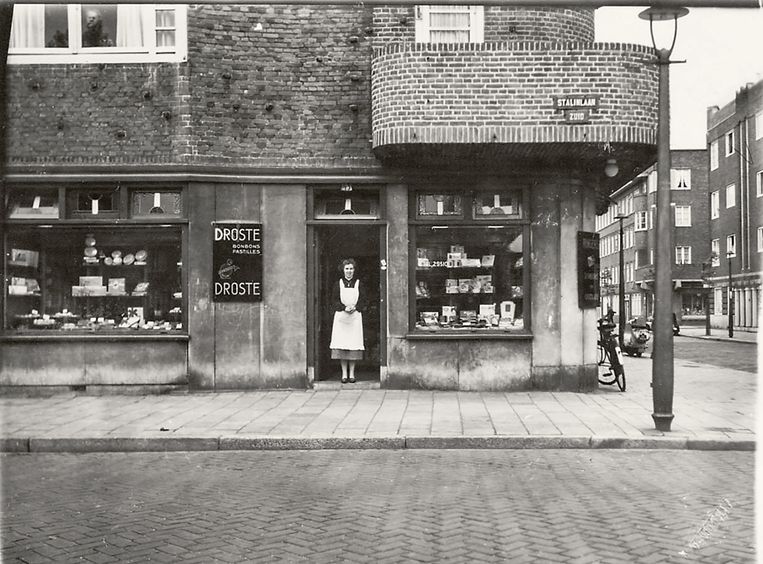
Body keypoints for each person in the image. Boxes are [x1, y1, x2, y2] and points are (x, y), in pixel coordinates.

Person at [329, 258, 365, 383]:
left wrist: (355, 307)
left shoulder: (359, 283)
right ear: (343, 270)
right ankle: (344, 374)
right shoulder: (337, 284)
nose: (349, 271)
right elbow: (334, 301)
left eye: (351, 269)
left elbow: (364, 300)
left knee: (353, 345)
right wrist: (344, 307)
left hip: (354, 317)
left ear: (354, 270)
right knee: (342, 346)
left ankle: (352, 374)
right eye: (347, 269)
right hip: (341, 317)